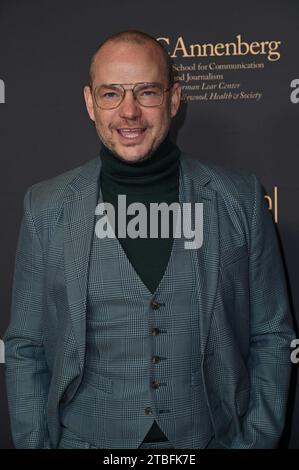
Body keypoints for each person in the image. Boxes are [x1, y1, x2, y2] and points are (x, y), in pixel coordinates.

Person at [4, 30, 294, 449]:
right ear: (90, 103)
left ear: (174, 100)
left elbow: (270, 335)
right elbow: (25, 348)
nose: (129, 111)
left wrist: (256, 443)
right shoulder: (46, 206)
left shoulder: (239, 198)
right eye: (111, 94)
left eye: (147, 92)